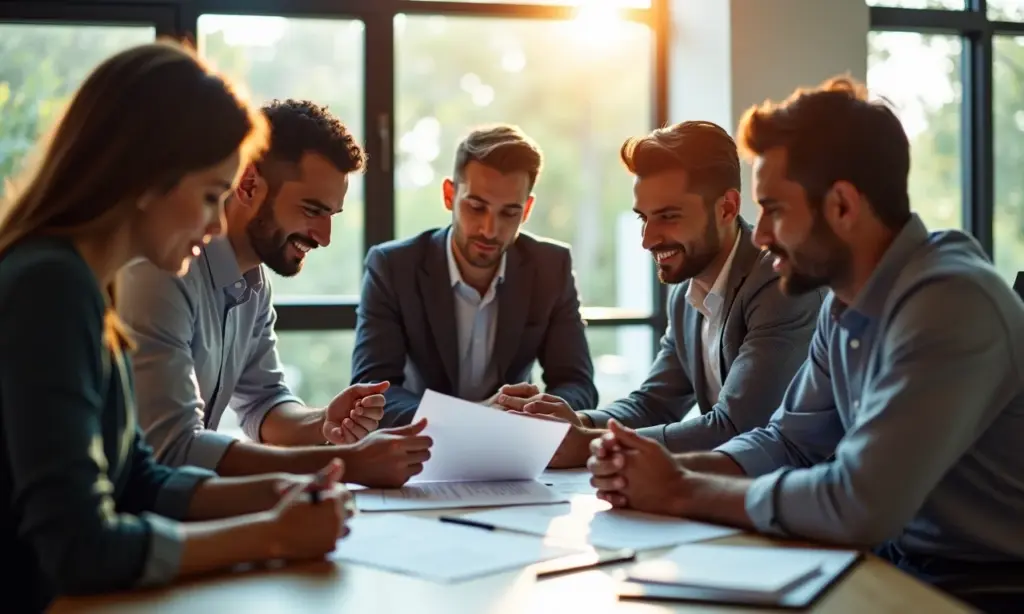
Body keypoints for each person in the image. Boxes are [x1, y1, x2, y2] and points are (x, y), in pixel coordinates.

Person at [587, 76, 1024, 612]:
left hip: (987, 587)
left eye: (774, 209)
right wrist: (657, 468)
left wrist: (679, 488)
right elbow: (789, 442)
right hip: (894, 563)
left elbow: (858, 503)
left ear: (841, 206)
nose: (760, 234)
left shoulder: (951, 301)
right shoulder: (844, 303)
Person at [0, 41, 352, 613]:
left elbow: (138, 477)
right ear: (148, 178)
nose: (217, 225)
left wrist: (278, 492)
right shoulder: (49, 286)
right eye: (212, 195)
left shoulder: (89, 285)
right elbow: (80, 548)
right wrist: (271, 535)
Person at [118, 99, 432, 488]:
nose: (324, 237)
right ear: (249, 185)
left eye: (331, 215)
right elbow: (171, 449)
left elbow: (263, 404)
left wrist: (324, 420)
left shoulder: (254, 283)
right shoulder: (163, 270)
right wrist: (345, 463)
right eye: (312, 210)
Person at [497, 121, 823, 468]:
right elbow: (653, 403)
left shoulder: (780, 283)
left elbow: (737, 427)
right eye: (644, 218)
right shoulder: (685, 293)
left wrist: (590, 443)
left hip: (801, 493)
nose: (648, 239)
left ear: (727, 208)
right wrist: (574, 423)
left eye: (668, 216)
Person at [351, 124, 598, 427]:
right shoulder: (392, 267)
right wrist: (474, 418)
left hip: (513, 438)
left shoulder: (551, 266)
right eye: (476, 207)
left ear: (527, 210)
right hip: (422, 441)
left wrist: (532, 412)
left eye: (509, 213)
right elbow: (372, 390)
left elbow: (577, 385)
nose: (489, 230)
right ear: (449, 195)